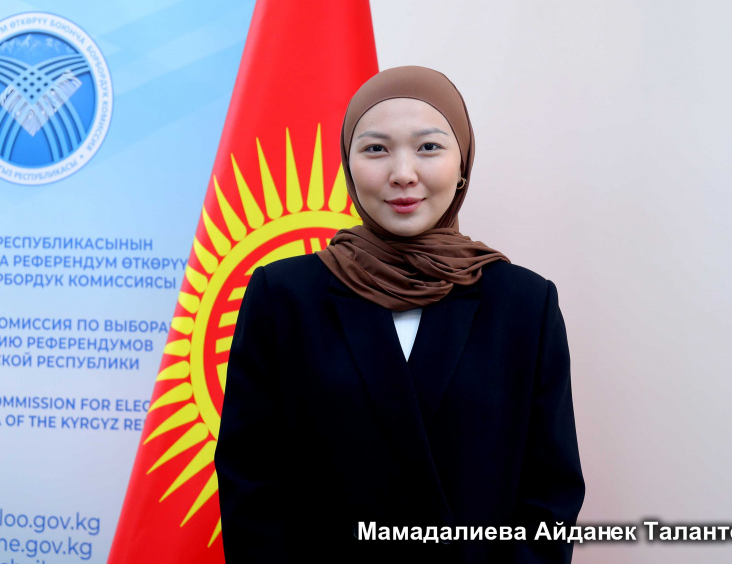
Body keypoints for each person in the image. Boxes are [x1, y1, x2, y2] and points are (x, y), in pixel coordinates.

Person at [215, 66, 585, 563]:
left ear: (462, 165)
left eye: (429, 147)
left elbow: (550, 492)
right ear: (348, 165)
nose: (403, 173)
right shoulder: (283, 296)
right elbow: (250, 480)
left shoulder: (524, 304)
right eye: (376, 149)